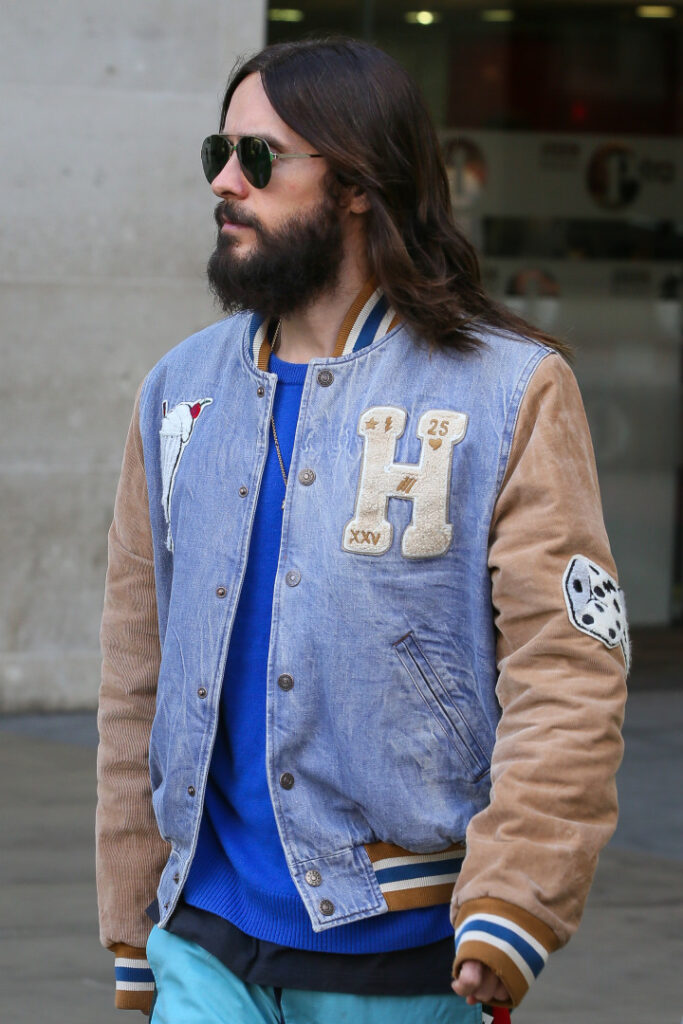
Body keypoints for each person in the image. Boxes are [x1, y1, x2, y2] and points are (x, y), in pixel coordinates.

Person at [96, 38, 629, 1024]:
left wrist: (517, 898)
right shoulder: (178, 391)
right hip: (201, 937)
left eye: (258, 158)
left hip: (405, 953)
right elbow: (137, 673)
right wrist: (133, 920)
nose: (223, 181)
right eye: (218, 152)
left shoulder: (508, 388)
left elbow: (566, 671)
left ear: (353, 184)